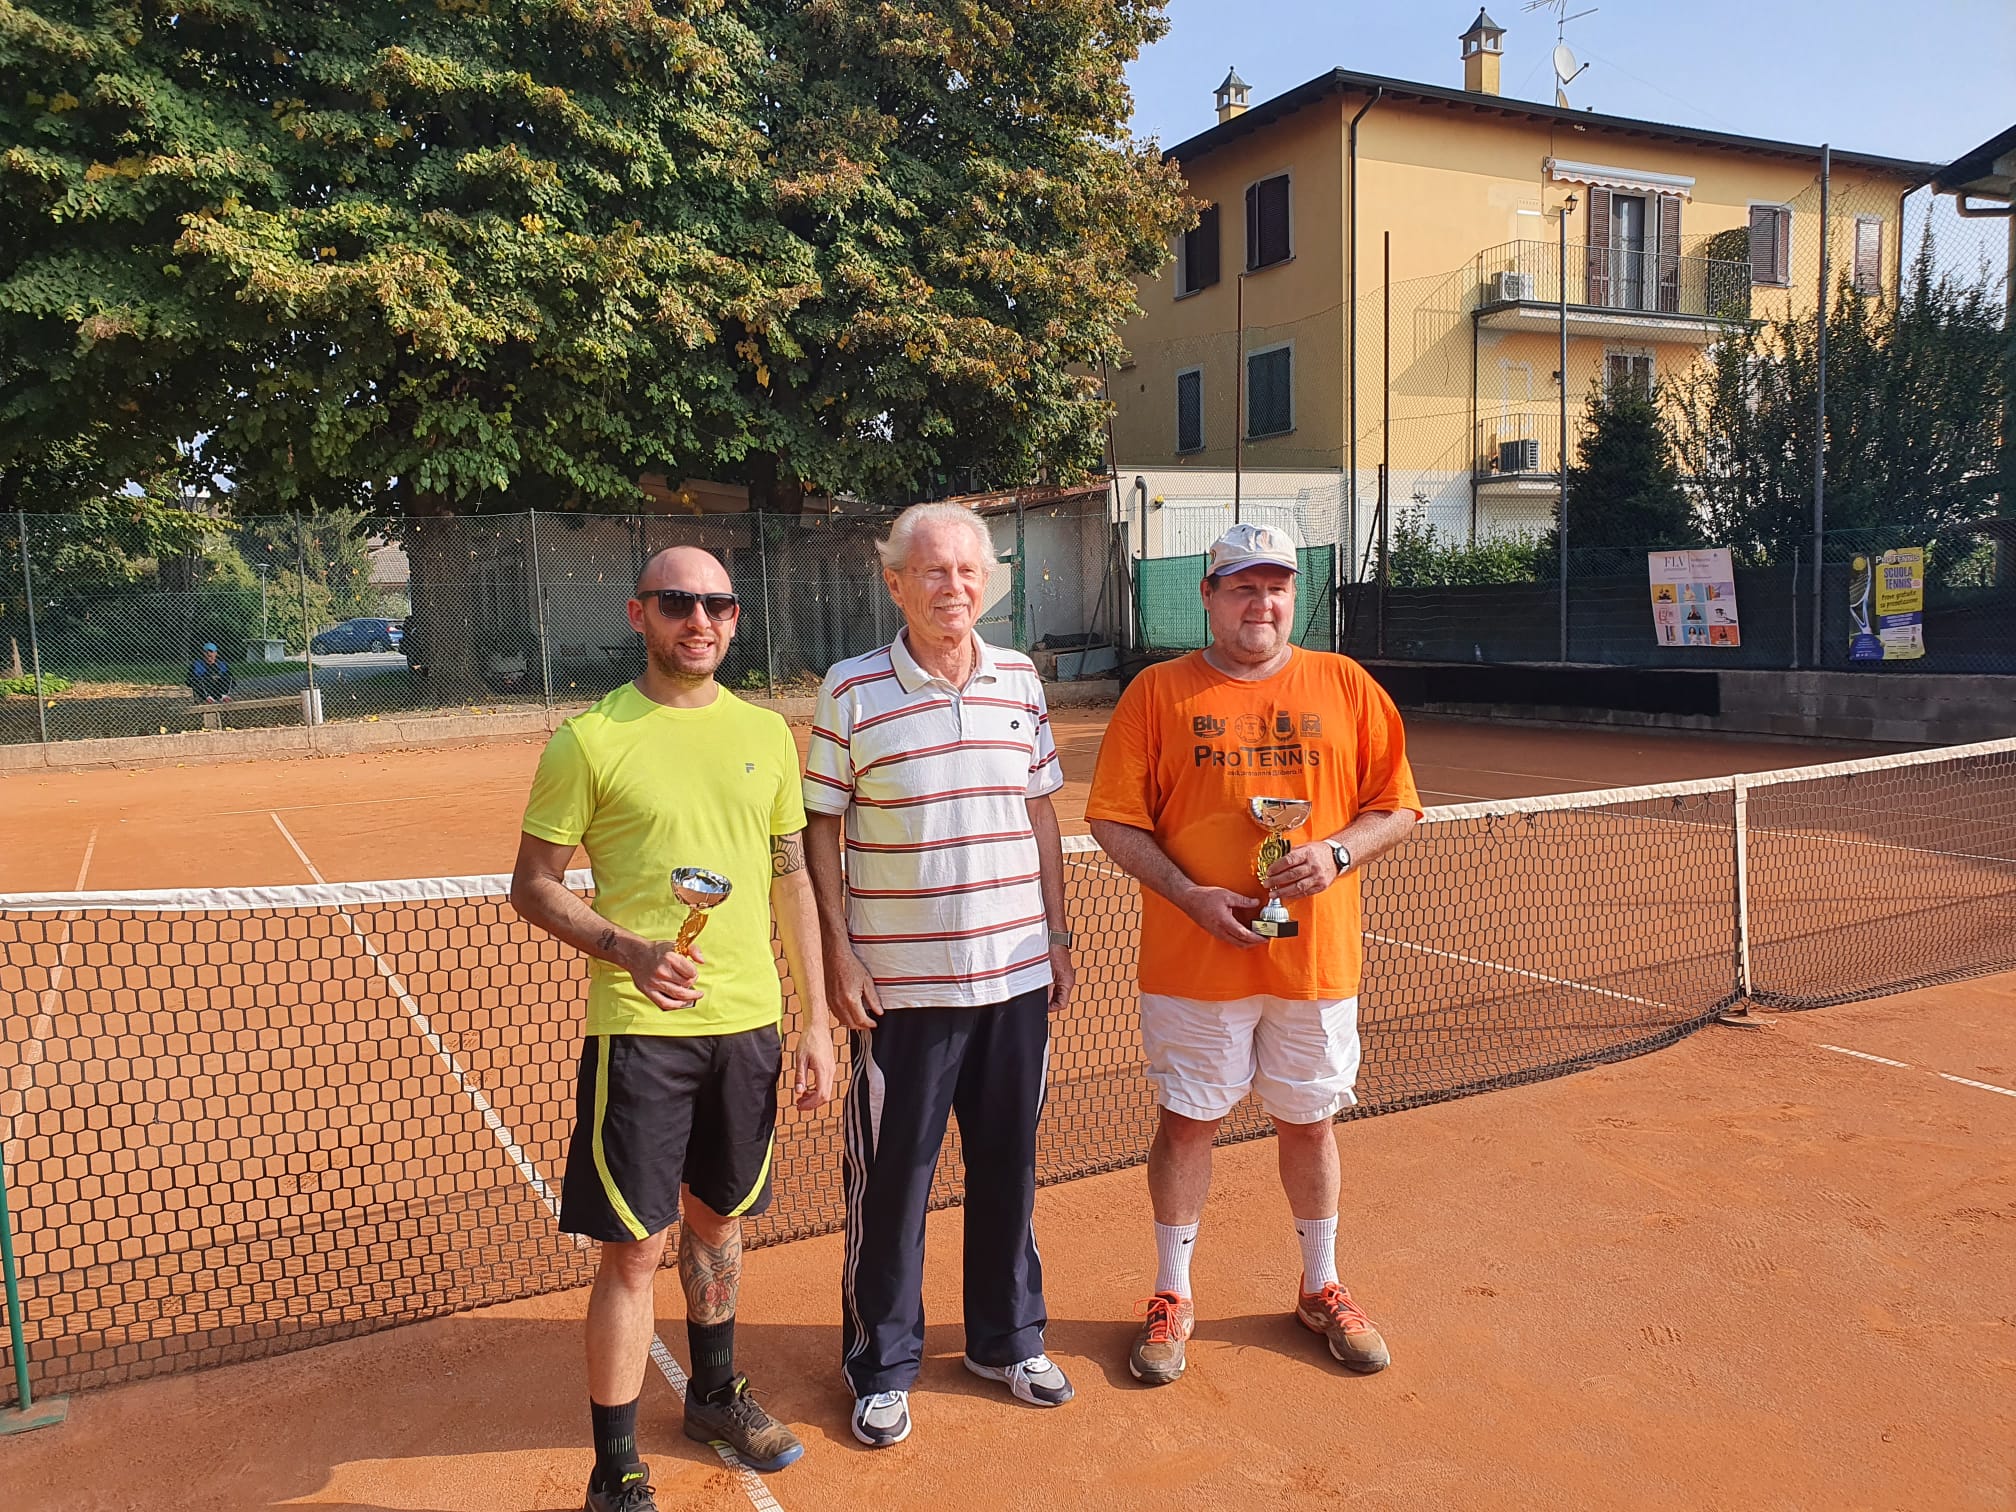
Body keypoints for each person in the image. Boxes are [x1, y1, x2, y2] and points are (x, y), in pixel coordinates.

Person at [510, 546, 836, 1512]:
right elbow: (531, 884)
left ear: (737, 619)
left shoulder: (769, 735)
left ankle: (715, 1392)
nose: (700, 620)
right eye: (678, 602)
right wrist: (628, 948)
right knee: (635, 1249)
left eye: (718, 605)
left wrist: (818, 1020)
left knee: (720, 1221)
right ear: (638, 612)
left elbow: (789, 878)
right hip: (639, 1034)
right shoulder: (589, 740)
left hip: (751, 1026)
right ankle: (614, 1469)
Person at [1084, 522, 1422, 1388]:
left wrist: (1339, 852)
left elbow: (1397, 806)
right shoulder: (1157, 694)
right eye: (1241, 586)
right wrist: (1190, 895)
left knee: (1309, 1120)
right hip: (1194, 961)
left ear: (1292, 596)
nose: (1260, 603)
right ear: (1208, 597)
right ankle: (1171, 1293)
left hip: (1313, 965)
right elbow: (1113, 820)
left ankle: (1321, 1285)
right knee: (1188, 1122)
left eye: (1275, 586)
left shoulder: (1346, 684)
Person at [802, 501, 1076, 1450]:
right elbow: (821, 829)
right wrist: (838, 951)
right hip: (902, 991)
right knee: (894, 1184)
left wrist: (1060, 938)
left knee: (1011, 1167)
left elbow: (1041, 815)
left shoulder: (1020, 680)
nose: (952, 588)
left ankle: (1006, 1340)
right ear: (894, 582)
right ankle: (880, 1365)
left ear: (986, 583)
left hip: (1015, 979)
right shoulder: (851, 690)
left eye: (966, 572)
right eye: (931, 572)